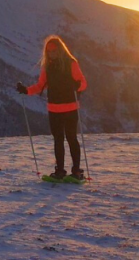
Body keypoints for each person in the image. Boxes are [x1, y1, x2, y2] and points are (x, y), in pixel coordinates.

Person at [16, 35, 88, 181]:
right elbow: (40, 85)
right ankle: (61, 171)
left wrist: (77, 86)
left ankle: (76, 171)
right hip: (54, 108)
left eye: (54, 50)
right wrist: (26, 90)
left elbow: (83, 82)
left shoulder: (71, 63)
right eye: (48, 51)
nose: (51, 53)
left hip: (69, 107)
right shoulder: (48, 67)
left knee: (71, 138)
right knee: (58, 140)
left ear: (60, 49)